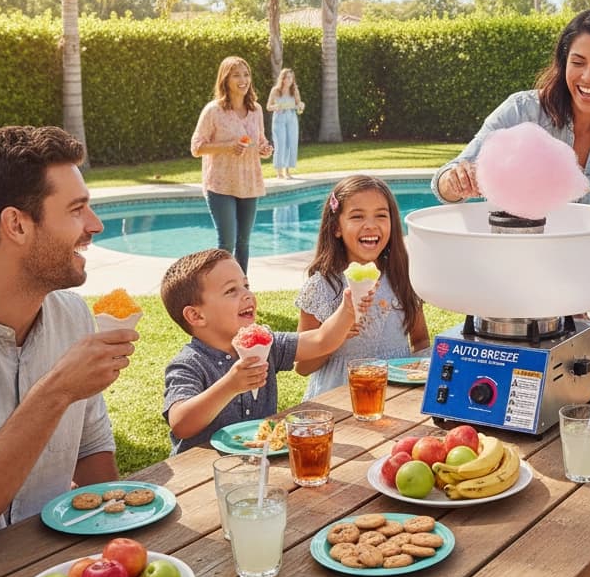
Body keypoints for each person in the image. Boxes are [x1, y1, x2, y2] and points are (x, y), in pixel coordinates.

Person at [0, 125, 137, 555]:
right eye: (76, 210)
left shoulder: (73, 315)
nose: (95, 225)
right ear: (16, 225)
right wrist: (56, 390)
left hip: (63, 571)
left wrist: (115, 555)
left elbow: (93, 452)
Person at [432, 7, 590, 204]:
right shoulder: (522, 111)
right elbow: (443, 183)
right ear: (563, 62)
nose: (587, 76)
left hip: (587, 250)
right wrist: (454, 181)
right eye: (577, 63)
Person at [159, 247, 366, 453]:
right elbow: (181, 424)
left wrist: (347, 308)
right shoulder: (189, 364)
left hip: (258, 466)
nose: (248, 294)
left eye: (246, 285)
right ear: (196, 316)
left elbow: (321, 341)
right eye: (231, 290)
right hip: (200, 474)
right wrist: (230, 386)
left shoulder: (264, 344)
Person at [296, 175, 429, 399]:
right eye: (357, 216)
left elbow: (420, 340)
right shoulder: (321, 287)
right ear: (336, 227)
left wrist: (423, 370)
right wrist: (334, 336)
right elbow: (302, 366)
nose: (371, 225)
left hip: (396, 397)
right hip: (338, 399)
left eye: (381, 215)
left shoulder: (403, 278)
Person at [191, 56, 273, 273]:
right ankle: (223, 289)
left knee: (244, 242)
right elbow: (196, 147)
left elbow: (261, 140)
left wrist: (265, 149)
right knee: (227, 243)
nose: (243, 80)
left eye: (246, 74)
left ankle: (242, 288)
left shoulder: (255, 110)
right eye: (236, 75)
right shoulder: (213, 110)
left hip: (249, 184)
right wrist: (228, 146)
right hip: (220, 185)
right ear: (225, 80)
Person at [266, 67, 304, 179]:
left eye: (291, 77)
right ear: (282, 78)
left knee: (290, 144)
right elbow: (268, 107)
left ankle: (287, 172)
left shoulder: (295, 90)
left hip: (292, 118)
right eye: (287, 77)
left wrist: (301, 106)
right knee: (280, 144)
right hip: (279, 119)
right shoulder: (275, 90)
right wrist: (276, 107)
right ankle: (279, 173)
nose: (289, 80)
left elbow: (299, 106)